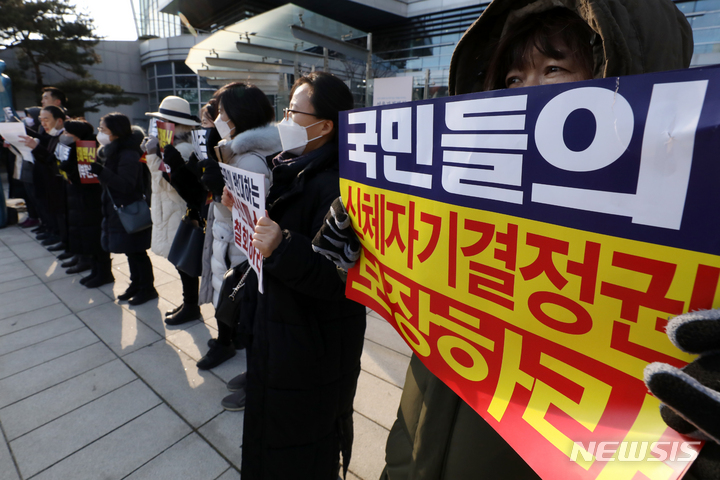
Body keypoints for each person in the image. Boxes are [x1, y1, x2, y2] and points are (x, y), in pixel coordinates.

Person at [378, 0, 695, 479]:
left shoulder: (682, 237)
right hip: (415, 448)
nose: (525, 95)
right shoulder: (465, 197)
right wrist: (368, 238)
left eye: (553, 69)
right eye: (512, 78)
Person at [235, 72, 366, 480]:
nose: (285, 119)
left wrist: (281, 245)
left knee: (301, 449)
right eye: (286, 109)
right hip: (280, 331)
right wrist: (238, 205)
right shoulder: (290, 168)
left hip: (311, 347)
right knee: (273, 439)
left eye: (294, 111)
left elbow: (340, 279)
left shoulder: (339, 188)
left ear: (326, 125)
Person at [195, 83, 280, 369]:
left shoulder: (248, 160)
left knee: (238, 304)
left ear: (238, 115)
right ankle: (229, 341)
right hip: (229, 240)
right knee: (233, 303)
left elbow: (252, 216)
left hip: (239, 246)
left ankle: (234, 351)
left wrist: (224, 196)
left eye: (222, 112)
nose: (217, 118)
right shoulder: (238, 150)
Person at [142, 96, 203, 324]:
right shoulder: (170, 146)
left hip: (177, 211)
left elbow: (166, 184)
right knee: (179, 261)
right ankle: (189, 303)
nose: (158, 125)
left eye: (163, 121)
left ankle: (191, 305)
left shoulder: (184, 149)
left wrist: (151, 156)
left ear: (175, 125)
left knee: (183, 261)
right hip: (168, 210)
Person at [90, 113, 156, 305]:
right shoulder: (113, 150)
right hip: (117, 209)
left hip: (129, 209)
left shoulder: (128, 153)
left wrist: (102, 172)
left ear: (116, 132)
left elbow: (127, 185)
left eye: (104, 129)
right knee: (130, 251)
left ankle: (147, 288)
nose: (100, 132)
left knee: (137, 252)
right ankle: (136, 284)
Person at [58, 119, 112, 288]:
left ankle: (103, 273)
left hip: (92, 200)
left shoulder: (87, 148)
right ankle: (94, 269)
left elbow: (87, 179)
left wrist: (70, 168)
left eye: (68, 133)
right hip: (80, 200)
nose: (64, 136)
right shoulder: (72, 148)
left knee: (96, 237)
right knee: (88, 236)